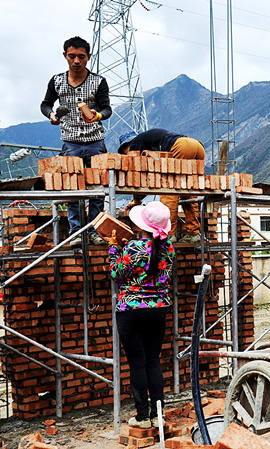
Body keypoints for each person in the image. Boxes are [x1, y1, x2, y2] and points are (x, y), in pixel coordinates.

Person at [107, 201, 176, 428]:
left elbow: (117, 274)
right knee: (153, 361)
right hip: (158, 310)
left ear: (142, 225)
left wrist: (113, 248)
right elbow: (152, 262)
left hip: (131, 311)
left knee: (137, 364)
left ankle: (143, 417)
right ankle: (157, 415)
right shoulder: (169, 248)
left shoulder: (133, 248)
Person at [41, 36, 112, 247]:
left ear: (88, 57)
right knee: (73, 189)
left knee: (98, 190)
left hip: (95, 142)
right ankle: (76, 233)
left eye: (81, 57)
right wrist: (52, 115)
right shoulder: (57, 81)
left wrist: (96, 116)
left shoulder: (98, 81)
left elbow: (107, 109)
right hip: (70, 142)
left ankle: (95, 231)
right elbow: (45, 104)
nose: (77, 61)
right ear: (65, 56)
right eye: (72, 56)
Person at [118, 129, 206, 243]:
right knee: (188, 191)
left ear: (127, 145)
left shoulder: (135, 143)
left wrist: (136, 199)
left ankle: (169, 235)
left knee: (168, 191)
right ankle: (194, 233)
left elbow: (139, 176)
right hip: (197, 146)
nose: (126, 155)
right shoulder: (147, 142)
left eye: (125, 152)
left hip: (182, 147)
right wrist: (137, 199)